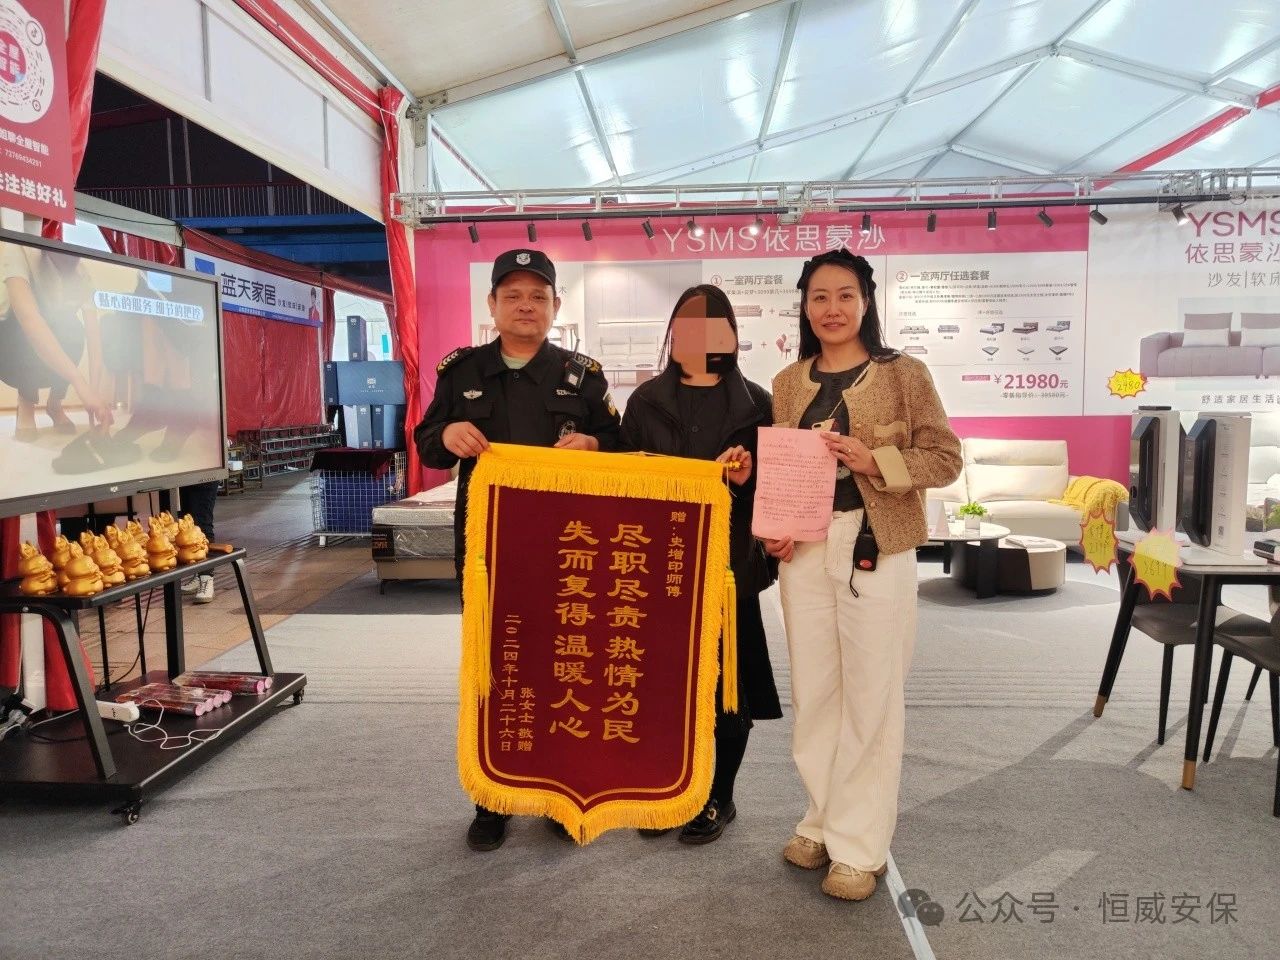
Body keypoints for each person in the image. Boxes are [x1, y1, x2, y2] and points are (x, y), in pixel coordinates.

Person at [762, 250, 961, 902]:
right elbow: (787, 469)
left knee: (872, 694)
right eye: (819, 297)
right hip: (806, 553)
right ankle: (822, 818)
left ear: (866, 301)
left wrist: (874, 460)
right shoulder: (788, 381)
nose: (832, 309)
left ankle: (858, 846)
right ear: (805, 306)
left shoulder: (903, 373)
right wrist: (778, 524)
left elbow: (944, 458)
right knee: (816, 692)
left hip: (876, 544)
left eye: (845, 295)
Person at [414, 248, 621, 852]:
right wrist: (447, 432)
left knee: (565, 661)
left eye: (538, 296)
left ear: (555, 306)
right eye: (513, 296)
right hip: (488, 544)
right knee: (493, 663)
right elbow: (428, 442)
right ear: (493, 305)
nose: (526, 306)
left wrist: (593, 445)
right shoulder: (462, 372)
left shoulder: (583, 376)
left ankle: (558, 793)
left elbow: (620, 442)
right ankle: (491, 798)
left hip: (569, 545)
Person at [619, 284, 781, 844]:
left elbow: (776, 488)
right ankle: (669, 791)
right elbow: (622, 480)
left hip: (729, 566)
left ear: (732, 336)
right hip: (659, 566)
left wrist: (745, 479)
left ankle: (719, 796)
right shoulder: (645, 401)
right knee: (661, 687)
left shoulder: (759, 404)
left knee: (726, 689)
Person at [0, 242, 112, 440]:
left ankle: (54, 403)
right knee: (26, 326)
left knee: (72, 328)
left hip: (49, 333)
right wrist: (80, 384)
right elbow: (29, 319)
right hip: (9, 342)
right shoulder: (20, 249)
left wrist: (93, 393)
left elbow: (94, 338)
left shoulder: (81, 275)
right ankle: (26, 402)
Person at [179, 479, 220, 603]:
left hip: (205, 476)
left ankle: (207, 577)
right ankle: (198, 575)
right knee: (186, 525)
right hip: (181, 477)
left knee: (202, 524)